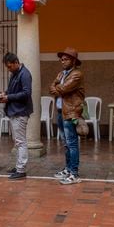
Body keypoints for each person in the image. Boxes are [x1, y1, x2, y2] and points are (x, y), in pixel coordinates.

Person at [49, 47, 85, 185]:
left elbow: (62, 89)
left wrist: (57, 88)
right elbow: (51, 88)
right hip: (61, 112)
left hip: (71, 112)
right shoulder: (61, 74)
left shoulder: (77, 74)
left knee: (72, 144)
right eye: (61, 59)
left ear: (74, 61)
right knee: (66, 144)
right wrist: (57, 88)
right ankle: (68, 169)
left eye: (66, 59)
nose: (62, 61)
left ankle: (74, 173)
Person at [0, 52, 33, 180]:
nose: (9, 69)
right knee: (17, 142)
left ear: (16, 62)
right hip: (15, 111)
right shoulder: (16, 73)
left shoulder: (24, 74)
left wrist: (8, 97)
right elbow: (15, 91)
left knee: (21, 142)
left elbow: (26, 93)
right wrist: (5, 93)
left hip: (20, 112)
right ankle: (19, 166)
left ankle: (21, 169)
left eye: (10, 66)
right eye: (7, 67)